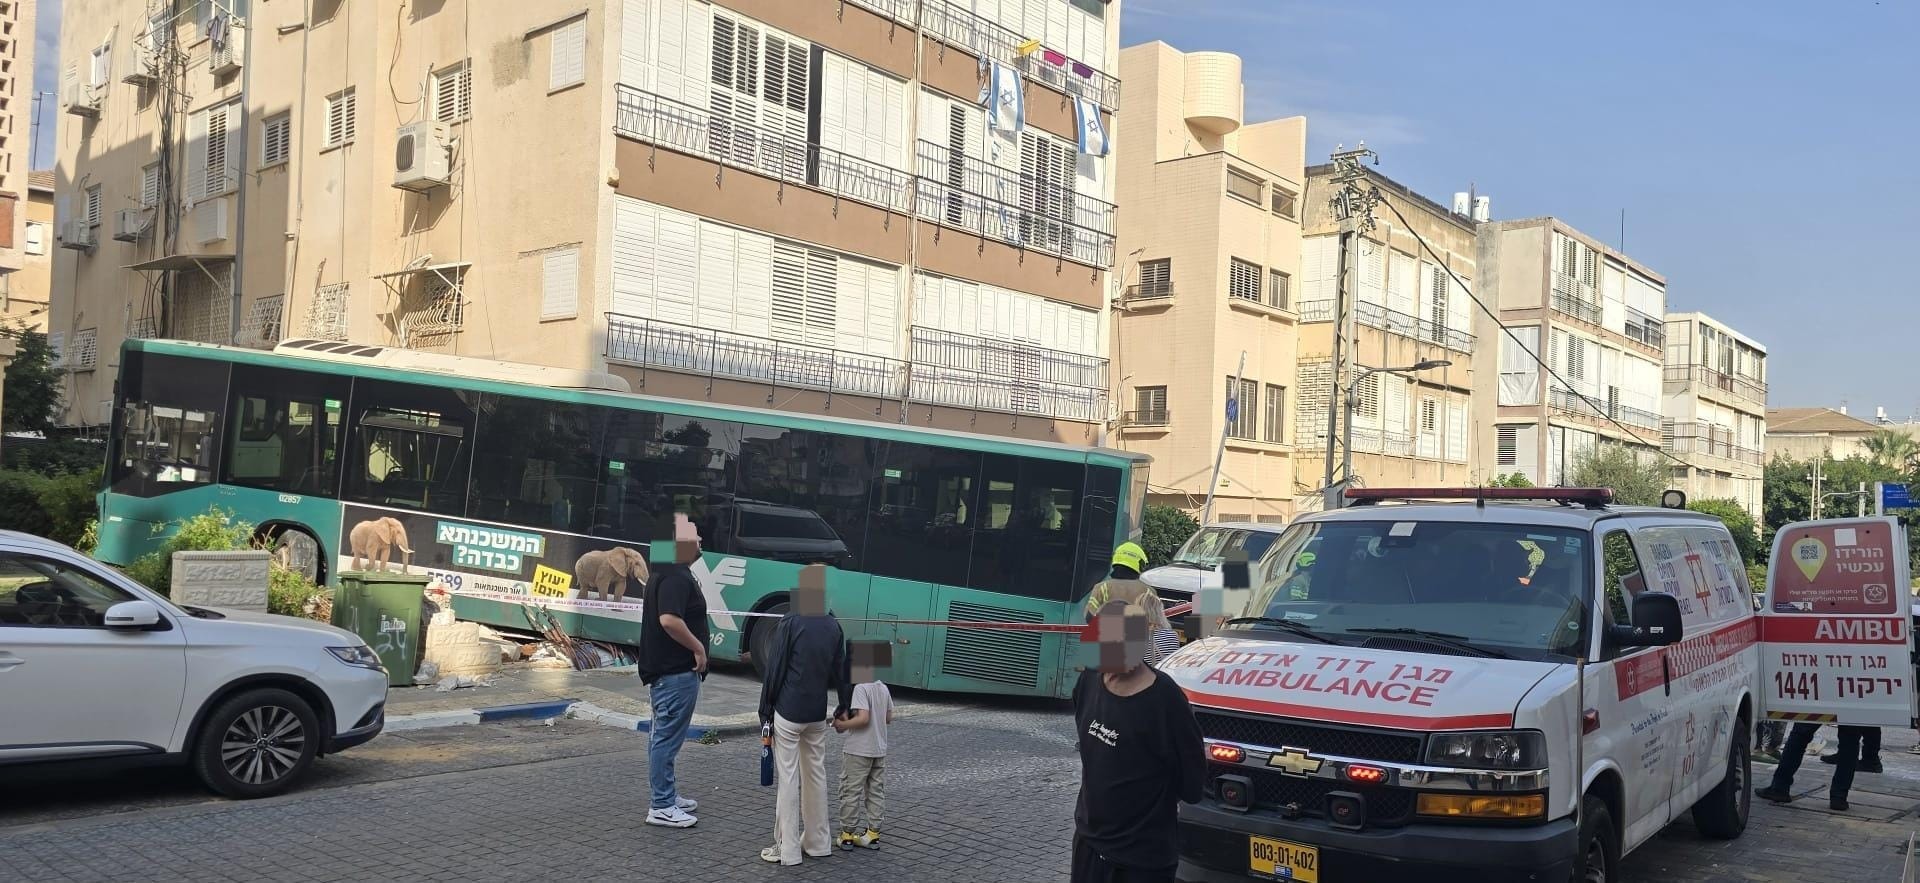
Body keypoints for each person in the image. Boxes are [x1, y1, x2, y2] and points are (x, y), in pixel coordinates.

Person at [1073, 601, 1207, 882]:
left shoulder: (1165, 700)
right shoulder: (1089, 680)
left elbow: (1192, 784)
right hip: (1088, 847)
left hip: (1142, 861)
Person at [758, 575, 852, 867]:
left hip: (789, 711)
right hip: (816, 712)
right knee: (816, 775)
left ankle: (786, 849)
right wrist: (844, 705)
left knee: (788, 779)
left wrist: (765, 710)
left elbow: (775, 670)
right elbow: (842, 671)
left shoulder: (791, 621)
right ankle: (818, 842)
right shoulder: (833, 625)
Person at [637, 515, 709, 829]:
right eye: (696, 535)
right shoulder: (675, 576)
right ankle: (662, 805)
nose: (701, 540)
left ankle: (667, 795)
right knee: (665, 739)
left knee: (664, 737)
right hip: (674, 672)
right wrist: (698, 648)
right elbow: (669, 620)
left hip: (669, 672)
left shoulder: (668, 572)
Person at [832, 669, 893, 850]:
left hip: (858, 749)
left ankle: (847, 835)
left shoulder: (860, 688)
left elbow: (863, 718)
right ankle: (873, 834)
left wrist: (842, 724)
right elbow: (888, 717)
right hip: (878, 749)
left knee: (850, 791)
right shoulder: (883, 688)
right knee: (875, 791)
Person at [1758, 723, 1873, 811]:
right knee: (1850, 741)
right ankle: (1839, 797)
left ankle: (1779, 787)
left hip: (1821, 699)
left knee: (1800, 734)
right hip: (1851, 701)